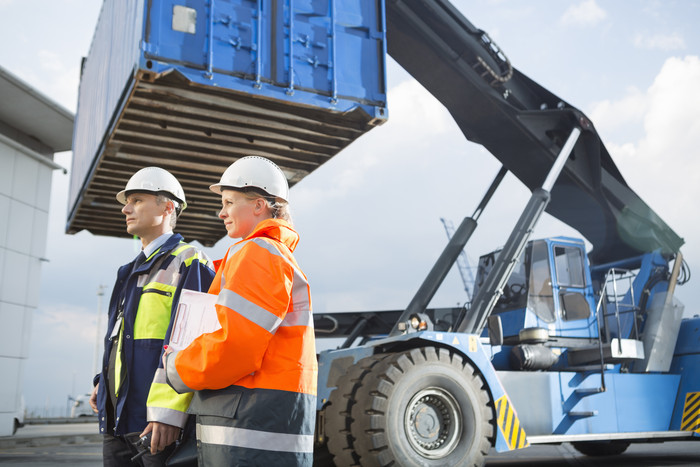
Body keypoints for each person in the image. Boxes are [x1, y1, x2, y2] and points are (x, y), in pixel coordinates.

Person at [163, 156, 318, 466]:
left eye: (229, 202)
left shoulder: (258, 252)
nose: (221, 212)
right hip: (263, 427)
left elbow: (233, 346)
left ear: (258, 205)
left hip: (246, 430)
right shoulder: (276, 255)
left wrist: (176, 367)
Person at [88, 167, 216, 466]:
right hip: (118, 418)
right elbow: (120, 339)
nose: (125, 208)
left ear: (167, 206)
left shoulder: (190, 261)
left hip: (157, 423)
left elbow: (192, 342)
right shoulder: (127, 271)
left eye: (137, 200)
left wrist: (170, 414)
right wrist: (103, 382)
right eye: (127, 201)